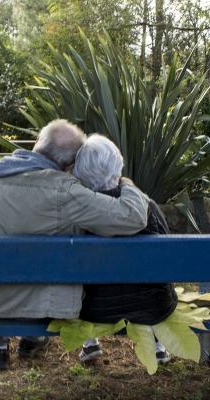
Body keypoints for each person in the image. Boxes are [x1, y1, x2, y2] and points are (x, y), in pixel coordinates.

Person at [0, 119, 150, 370]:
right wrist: (124, 182)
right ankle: (38, 337)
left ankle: (10, 342)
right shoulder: (65, 191)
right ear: (71, 164)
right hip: (37, 305)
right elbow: (133, 217)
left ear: (37, 145)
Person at [72, 134, 178, 363]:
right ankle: (158, 346)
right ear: (118, 165)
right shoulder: (146, 205)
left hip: (97, 308)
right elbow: (166, 251)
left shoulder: (81, 213)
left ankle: (90, 344)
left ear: (80, 172)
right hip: (154, 305)